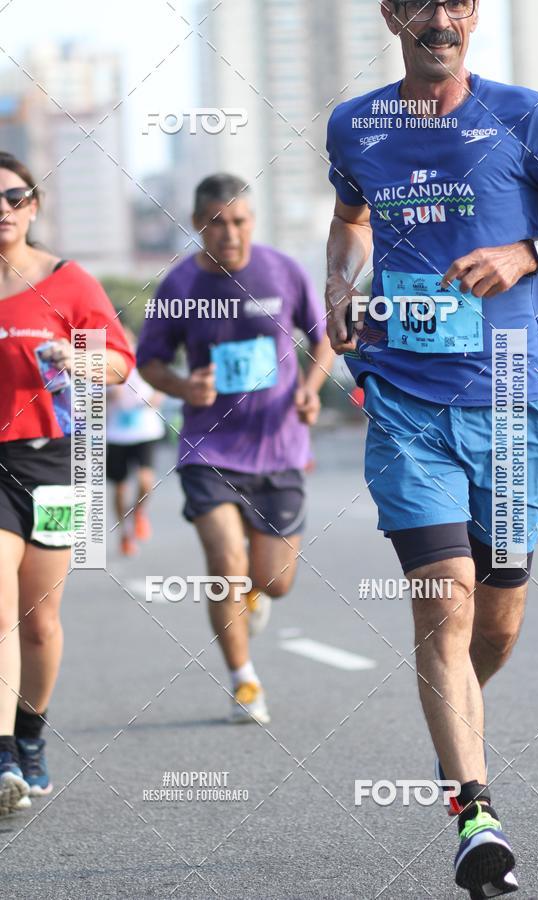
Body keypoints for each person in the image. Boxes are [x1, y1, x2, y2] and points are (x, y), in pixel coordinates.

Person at [325, 2, 538, 896]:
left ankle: (458, 715)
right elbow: (351, 219)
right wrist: (338, 285)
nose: (438, 17)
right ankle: (475, 811)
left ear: (473, 15)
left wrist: (530, 253)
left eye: (456, 2)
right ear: (392, 15)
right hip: (405, 395)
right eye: (421, 2)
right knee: (443, 596)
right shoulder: (355, 123)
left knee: (497, 620)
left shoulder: (526, 116)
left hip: (515, 397)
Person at [137, 173, 334, 724]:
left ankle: (256, 592)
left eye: (240, 221)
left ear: (253, 220)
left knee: (275, 581)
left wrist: (309, 390)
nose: (230, 233)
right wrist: (184, 387)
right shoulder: (179, 286)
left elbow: (323, 340)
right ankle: (244, 682)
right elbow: (149, 362)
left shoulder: (282, 271)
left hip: (279, 446)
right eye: (217, 223)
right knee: (226, 563)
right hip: (209, 448)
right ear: (198, 224)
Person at [0, 152, 135, 816]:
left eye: (14, 197)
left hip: (56, 465)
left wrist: (77, 357)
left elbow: (119, 363)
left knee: (40, 623)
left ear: (34, 206)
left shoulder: (69, 281)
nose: (3, 210)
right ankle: (2, 756)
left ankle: (30, 735)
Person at [106, 327, 165, 556]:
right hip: (117, 434)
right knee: (120, 488)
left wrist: (156, 398)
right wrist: (108, 395)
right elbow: (89, 396)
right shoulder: (104, 361)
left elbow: (162, 384)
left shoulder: (146, 358)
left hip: (145, 431)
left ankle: (139, 511)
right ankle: (125, 532)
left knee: (145, 481)